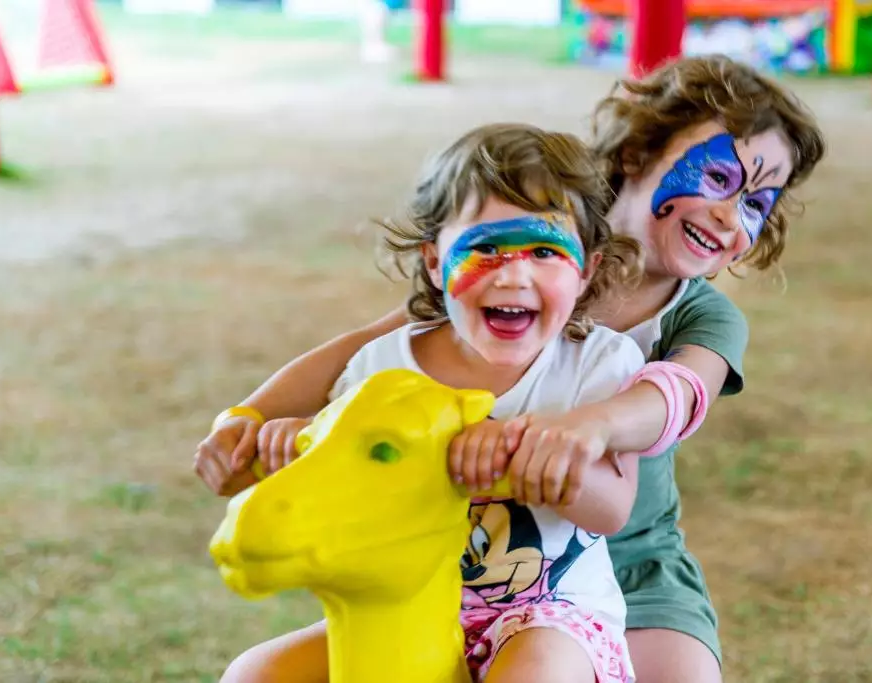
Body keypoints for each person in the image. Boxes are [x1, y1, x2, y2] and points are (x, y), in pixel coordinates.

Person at [196, 55, 827, 683]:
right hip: (454, 567)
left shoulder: (672, 329)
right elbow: (360, 355)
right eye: (716, 177)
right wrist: (255, 422)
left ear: (584, 267)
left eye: (755, 202)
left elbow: (677, 395)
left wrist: (584, 430)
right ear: (637, 154)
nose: (729, 214)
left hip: (628, 569)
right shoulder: (496, 278)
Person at [216, 122, 655, 682]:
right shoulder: (382, 369)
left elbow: (612, 509)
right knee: (255, 673)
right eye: (485, 248)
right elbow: (349, 469)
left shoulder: (598, 363)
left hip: (552, 615)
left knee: (534, 671)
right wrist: (297, 442)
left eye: (546, 250)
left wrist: (523, 448)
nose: (514, 276)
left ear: (587, 269)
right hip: (404, 600)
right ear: (433, 260)